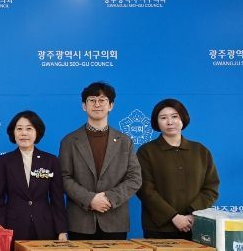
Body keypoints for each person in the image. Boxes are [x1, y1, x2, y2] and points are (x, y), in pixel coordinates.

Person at [59, 82, 141, 240]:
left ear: (111, 106)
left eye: (102, 100)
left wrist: (110, 198)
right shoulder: (69, 141)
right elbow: (64, 177)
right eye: (92, 100)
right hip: (81, 222)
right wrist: (90, 199)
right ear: (84, 106)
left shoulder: (125, 141)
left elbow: (134, 178)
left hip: (115, 220)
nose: (97, 104)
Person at [137, 99, 219, 239]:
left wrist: (192, 213)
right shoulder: (146, 151)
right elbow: (145, 189)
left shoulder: (200, 151)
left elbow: (211, 187)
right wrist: (173, 216)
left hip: (196, 225)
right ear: (157, 122)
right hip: (159, 228)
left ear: (183, 119)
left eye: (174, 116)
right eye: (163, 118)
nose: (170, 122)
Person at [0, 111, 67, 242]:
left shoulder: (50, 160)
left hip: (45, 226)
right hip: (13, 226)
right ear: (13, 132)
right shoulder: (5, 161)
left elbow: (57, 199)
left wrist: (61, 230)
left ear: (37, 132)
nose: (24, 133)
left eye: (29, 128)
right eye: (19, 129)